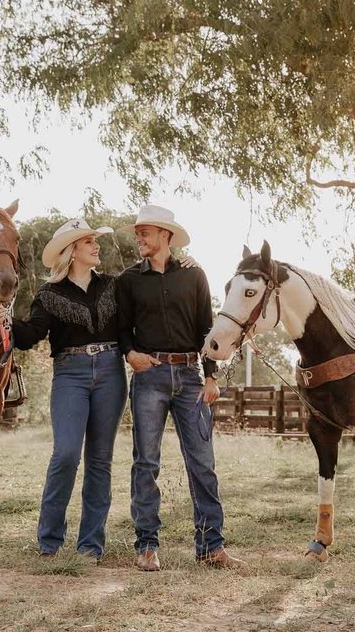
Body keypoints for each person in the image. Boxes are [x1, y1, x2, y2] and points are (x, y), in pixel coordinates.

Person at [116, 205, 245, 570]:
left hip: (190, 377)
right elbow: (123, 328)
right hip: (149, 377)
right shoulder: (128, 280)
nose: (139, 237)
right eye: (137, 232)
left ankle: (210, 546)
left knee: (203, 464)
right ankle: (146, 546)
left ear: (165, 236)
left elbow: (207, 327)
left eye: (146, 232)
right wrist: (131, 354)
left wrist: (210, 376)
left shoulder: (195, 275)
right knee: (146, 462)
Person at [13, 219, 127, 562]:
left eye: (95, 241)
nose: (97, 246)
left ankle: (91, 545)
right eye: (89, 241)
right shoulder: (49, 295)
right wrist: (2, 317)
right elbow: (31, 335)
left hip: (111, 371)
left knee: (99, 460)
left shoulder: (113, 286)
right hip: (70, 374)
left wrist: (182, 265)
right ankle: (49, 541)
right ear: (71, 250)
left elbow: (146, 293)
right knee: (65, 454)